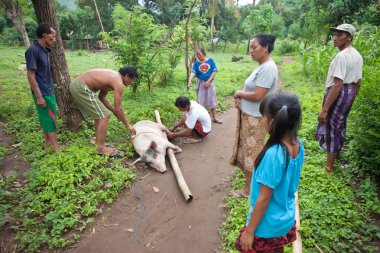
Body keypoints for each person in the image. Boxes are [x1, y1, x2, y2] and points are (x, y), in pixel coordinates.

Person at [235, 92, 304, 253]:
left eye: (263, 117)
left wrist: (249, 231)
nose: (262, 121)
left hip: (266, 225)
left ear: (273, 121)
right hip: (284, 218)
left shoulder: (274, 154)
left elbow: (264, 198)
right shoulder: (297, 145)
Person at [230, 34, 278, 198]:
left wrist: (239, 93)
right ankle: (250, 185)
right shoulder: (262, 66)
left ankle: (248, 190)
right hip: (251, 115)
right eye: (251, 47)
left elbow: (258, 95)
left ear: (265, 48)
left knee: (252, 153)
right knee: (249, 151)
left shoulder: (268, 68)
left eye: (254, 47)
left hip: (256, 118)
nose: (251, 51)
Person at [316, 24, 363, 172]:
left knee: (331, 126)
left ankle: (329, 166)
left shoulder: (342, 56)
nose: (335, 38)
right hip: (350, 91)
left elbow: (337, 85)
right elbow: (358, 82)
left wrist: (324, 109)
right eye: (334, 35)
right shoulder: (357, 54)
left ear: (349, 37)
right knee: (341, 124)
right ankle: (335, 157)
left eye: (339, 35)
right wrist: (353, 97)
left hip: (339, 92)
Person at [69, 66, 138, 156]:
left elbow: (102, 97)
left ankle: (98, 141)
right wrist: (128, 125)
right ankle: (101, 148)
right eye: (132, 80)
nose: (131, 83)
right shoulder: (118, 82)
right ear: (127, 75)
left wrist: (114, 111)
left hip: (79, 86)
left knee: (100, 115)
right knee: (104, 116)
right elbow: (119, 107)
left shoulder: (113, 78)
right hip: (81, 87)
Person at [25, 24, 59, 152]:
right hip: (42, 92)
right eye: (53, 36)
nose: (54, 39)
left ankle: (48, 144)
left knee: (47, 117)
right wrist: (39, 96)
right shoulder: (33, 51)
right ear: (45, 36)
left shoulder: (45, 50)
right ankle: (57, 149)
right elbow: (30, 75)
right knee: (50, 118)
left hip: (48, 90)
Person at [187, 48, 223, 124]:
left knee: (212, 101)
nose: (198, 56)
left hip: (210, 83)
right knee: (201, 102)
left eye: (199, 54)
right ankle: (203, 120)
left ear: (203, 53)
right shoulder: (197, 63)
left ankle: (215, 118)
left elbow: (214, 71)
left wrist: (208, 82)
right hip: (201, 84)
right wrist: (190, 80)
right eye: (197, 55)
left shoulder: (210, 61)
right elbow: (193, 72)